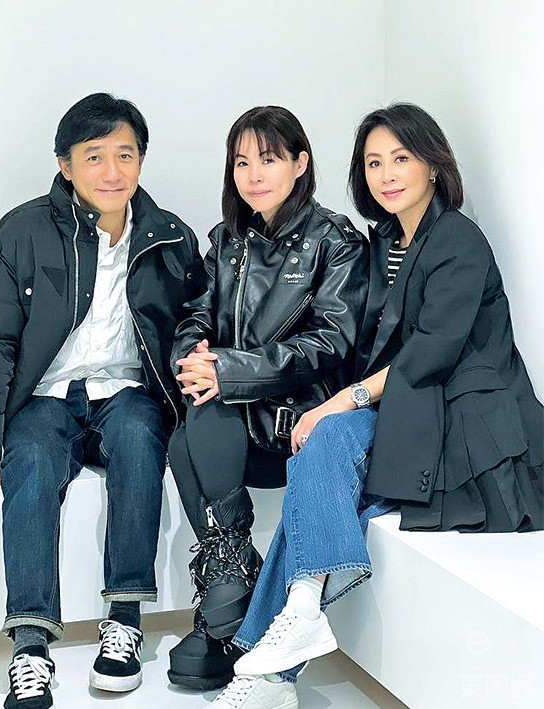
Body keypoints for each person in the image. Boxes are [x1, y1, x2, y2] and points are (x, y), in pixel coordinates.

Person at [213, 103, 543, 708]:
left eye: (401, 158)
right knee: (319, 456)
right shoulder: (385, 241)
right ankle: (291, 633)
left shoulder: (458, 240)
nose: (386, 174)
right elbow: (362, 345)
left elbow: (430, 353)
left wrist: (340, 402)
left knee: (322, 450)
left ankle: (270, 672)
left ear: (434, 165)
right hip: (407, 410)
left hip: (456, 421)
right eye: (372, 162)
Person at [0, 93, 205, 708]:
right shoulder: (21, 233)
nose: (112, 171)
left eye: (125, 155)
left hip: (127, 393)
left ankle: (125, 621)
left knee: (140, 440)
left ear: (141, 160)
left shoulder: (169, 237)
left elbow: (195, 324)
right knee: (31, 461)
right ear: (65, 165)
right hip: (46, 396)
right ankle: (31, 645)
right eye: (94, 157)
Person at [166, 106, 369, 690]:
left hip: (293, 424)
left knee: (199, 422)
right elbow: (195, 315)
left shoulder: (336, 242)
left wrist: (227, 370)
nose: (253, 175)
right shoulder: (227, 241)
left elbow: (329, 343)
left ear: (300, 164)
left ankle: (225, 604)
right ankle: (232, 587)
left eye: (269, 159)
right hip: (232, 418)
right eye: (241, 162)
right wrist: (194, 357)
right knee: (189, 427)